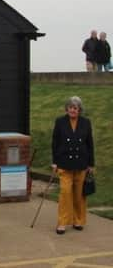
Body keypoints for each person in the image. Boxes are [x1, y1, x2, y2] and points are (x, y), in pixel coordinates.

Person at [51, 96, 95, 234]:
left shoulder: (86, 122)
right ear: (67, 108)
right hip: (64, 164)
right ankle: (62, 223)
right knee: (65, 193)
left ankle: (78, 220)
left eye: (75, 108)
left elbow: (90, 144)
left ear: (79, 110)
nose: (72, 110)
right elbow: (55, 142)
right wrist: (54, 162)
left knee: (79, 195)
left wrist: (91, 164)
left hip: (81, 164)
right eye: (70, 107)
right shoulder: (60, 122)